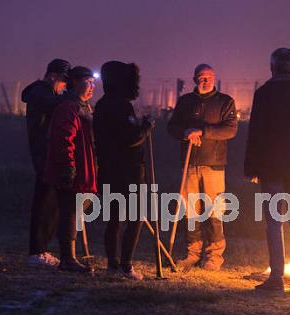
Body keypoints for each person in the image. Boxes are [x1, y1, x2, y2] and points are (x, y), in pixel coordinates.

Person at [244, 48, 290, 294]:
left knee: (274, 223)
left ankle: (276, 278)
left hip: (271, 166)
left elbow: (255, 133)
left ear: (271, 67)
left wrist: (251, 167)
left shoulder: (263, 94)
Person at [167, 64, 237, 271]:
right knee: (190, 210)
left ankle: (214, 256)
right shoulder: (185, 101)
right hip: (189, 162)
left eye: (208, 77)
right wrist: (186, 132)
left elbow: (230, 130)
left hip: (214, 164)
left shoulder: (225, 102)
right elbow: (172, 127)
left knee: (215, 210)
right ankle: (192, 253)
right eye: (201, 77)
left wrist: (202, 131)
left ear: (214, 78)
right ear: (194, 79)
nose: (205, 81)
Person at [93, 61, 154, 280]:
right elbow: (132, 138)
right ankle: (126, 266)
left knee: (114, 219)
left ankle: (112, 264)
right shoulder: (122, 106)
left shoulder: (101, 105)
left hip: (108, 169)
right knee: (136, 217)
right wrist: (146, 126)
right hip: (128, 171)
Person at [44, 66, 97, 273]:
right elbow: (64, 139)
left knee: (75, 212)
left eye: (94, 83)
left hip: (83, 169)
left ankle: (70, 257)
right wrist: (68, 167)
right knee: (70, 212)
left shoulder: (84, 107)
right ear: (75, 82)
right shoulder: (69, 107)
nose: (92, 87)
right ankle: (68, 258)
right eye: (88, 82)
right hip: (72, 170)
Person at [22, 58, 71, 267]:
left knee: (51, 203)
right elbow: (57, 107)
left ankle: (42, 249)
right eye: (63, 82)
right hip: (44, 155)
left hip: (49, 154)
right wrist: (72, 97)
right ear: (53, 76)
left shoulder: (46, 93)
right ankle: (37, 251)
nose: (64, 87)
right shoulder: (40, 94)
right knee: (44, 202)